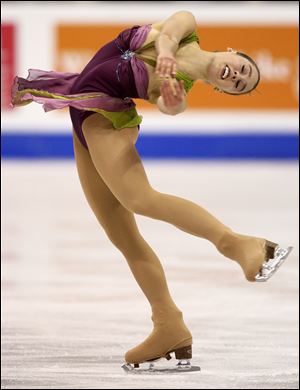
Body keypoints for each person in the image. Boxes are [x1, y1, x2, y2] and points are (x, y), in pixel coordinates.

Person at [11, 10, 292, 372]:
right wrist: (167, 56)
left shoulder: (181, 89)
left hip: (108, 121)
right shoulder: (187, 29)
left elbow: (170, 105)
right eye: (241, 68)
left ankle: (240, 245)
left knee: (138, 198)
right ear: (232, 52)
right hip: (83, 115)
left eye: (239, 83)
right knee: (122, 235)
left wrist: (171, 97)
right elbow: (170, 33)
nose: (236, 75)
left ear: (222, 90)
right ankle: (168, 324)